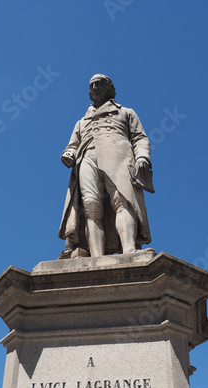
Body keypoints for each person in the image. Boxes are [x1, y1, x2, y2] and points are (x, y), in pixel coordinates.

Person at [58, 74, 153, 258]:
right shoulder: (81, 121)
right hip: (87, 158)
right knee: (90, 207)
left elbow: (140, 138)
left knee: (124, 201)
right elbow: (72, 145)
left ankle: (129, 250)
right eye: (91, 85)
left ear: (109, 88)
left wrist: (142, 157)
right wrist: (69, 153)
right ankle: (96, 257)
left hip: (118, 157)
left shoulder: (125, 112)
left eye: (98, 84)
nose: (94, 88)